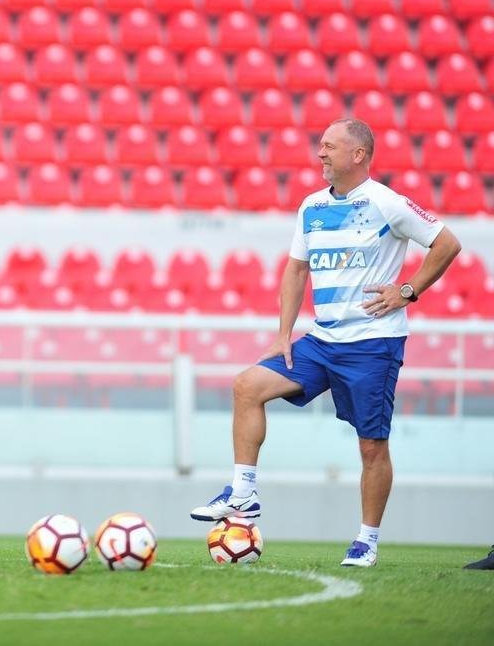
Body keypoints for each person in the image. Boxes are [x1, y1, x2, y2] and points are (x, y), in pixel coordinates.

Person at [190, 118, 462, 568]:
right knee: (247, 386)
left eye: (329, 146)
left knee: (371, 446)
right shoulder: (311, 206)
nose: (320, 153)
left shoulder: (386, 203)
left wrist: (407, 291)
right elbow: (296, 269)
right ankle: (243, 493)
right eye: (320, 145)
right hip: (321, 341)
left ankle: (366, 541)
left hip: (372, 345)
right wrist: (283, 334)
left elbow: (447, 244)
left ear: (358, 154)